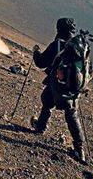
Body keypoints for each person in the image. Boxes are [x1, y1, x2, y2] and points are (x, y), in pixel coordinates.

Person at [30, 17, 87, 164]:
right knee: (70, 112)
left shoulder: (58, 44)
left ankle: (40, 127)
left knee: (48, 101)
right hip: (74, 86)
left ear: (59, 29)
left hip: (58, 84)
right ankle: (79, 149)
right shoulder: (79, 46)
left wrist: (35, 52)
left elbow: (41, 63)